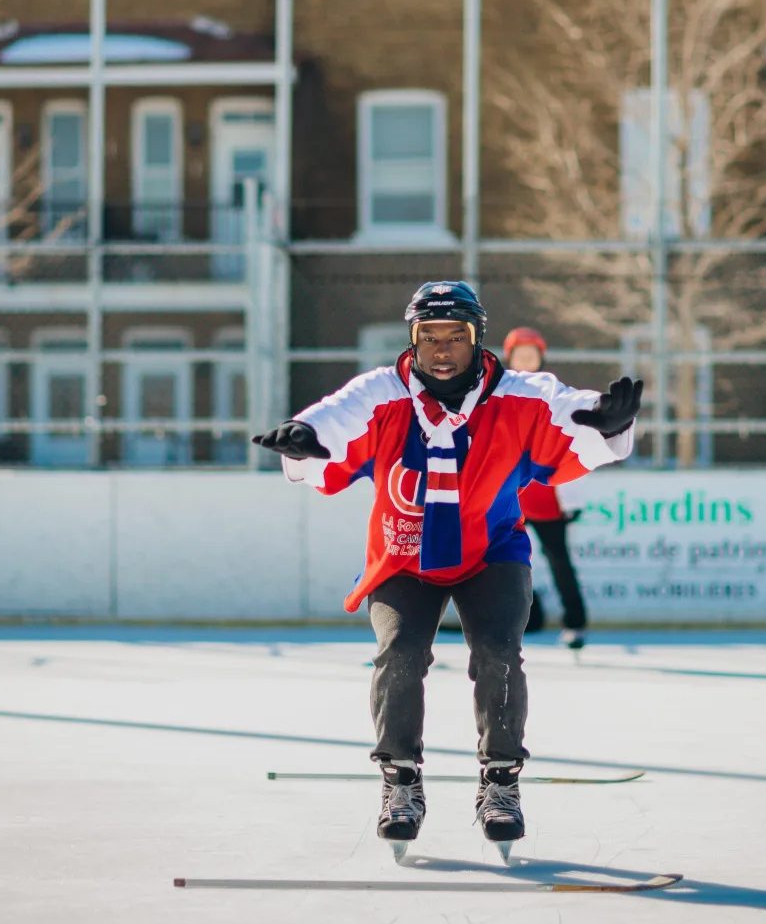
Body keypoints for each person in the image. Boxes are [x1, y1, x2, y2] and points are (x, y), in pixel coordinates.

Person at [253, 282, 642, 857]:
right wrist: (308, 439)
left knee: (498, 653)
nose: (441, 349)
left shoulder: (513, 392)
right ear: (412, 340)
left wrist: (602, 422)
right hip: (402, 554)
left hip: (491, 550)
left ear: (476, 338)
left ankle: (501, 782)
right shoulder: (384, 392)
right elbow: (339, 415)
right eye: (429, 336)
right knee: (401, 654)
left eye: (455, 336)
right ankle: (400, 781)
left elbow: (559, 404)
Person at [503, 326, 590, 651]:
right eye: (520, 355)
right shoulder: (496, 392)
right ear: (509, 357)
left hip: (547, 497)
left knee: (558, 560)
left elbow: (574, 442)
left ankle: (575, 623)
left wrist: (574, 496)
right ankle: (497, 621)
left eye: (532, 354)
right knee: (499, 563)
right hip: (509, 497)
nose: (526, 360)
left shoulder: (556, 393)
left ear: (541, 358)